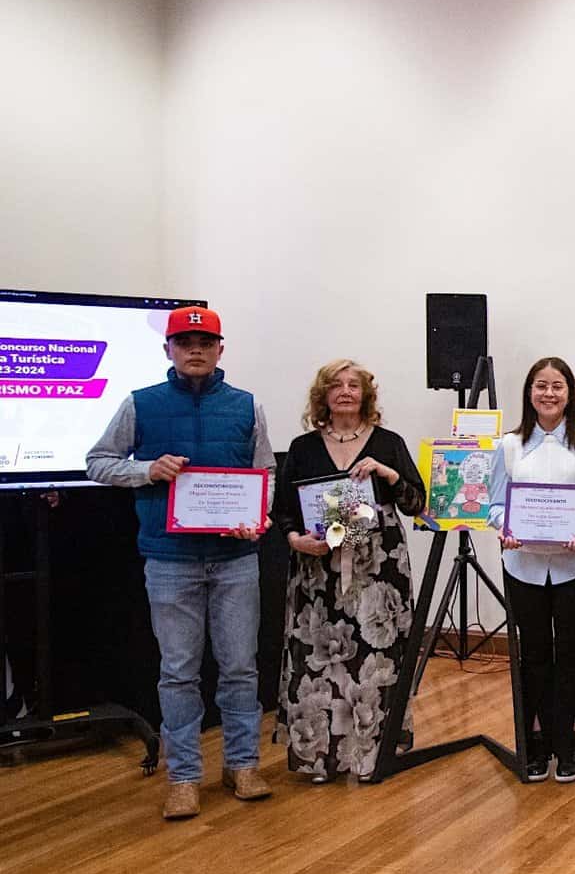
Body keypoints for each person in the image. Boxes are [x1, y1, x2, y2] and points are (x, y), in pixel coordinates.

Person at [85, 305, 275, 820]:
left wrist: (257, 517)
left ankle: (242, 766)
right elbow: (98, 462)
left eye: (205, 342)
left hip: (236, 558)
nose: (195, 350)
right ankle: (184, 777)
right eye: (185, 342)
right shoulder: (140, 403)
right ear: (167, 349)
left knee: (240, 668)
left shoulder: (246, 406)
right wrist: (148, 470)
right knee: (177, 673)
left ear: (220, 349)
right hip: (169, 560)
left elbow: (265, 472)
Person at [270, 359, 425, 783]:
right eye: (336, 385)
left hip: (378, 568)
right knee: (319, 659)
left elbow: (415, 503)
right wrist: (294, 540)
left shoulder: (388, 442)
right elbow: (283, 510)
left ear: (366, 394)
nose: (345, 391)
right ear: (323, 395)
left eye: (353, 385)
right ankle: (319, 756)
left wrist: (387, 473)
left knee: (375, 657)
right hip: (317, 569)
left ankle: (373, 752)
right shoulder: (303, 447)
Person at [487, 357, 575, 783]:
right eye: (541, 385)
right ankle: (535, 740)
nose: (549, 393)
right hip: (523, 566)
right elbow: (494, 504)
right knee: (533, 652)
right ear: (529, 393)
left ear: (570, 393)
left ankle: (570, 740)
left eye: (557, 386)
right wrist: (506, 528)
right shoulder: (508, 445)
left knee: (570, 651)